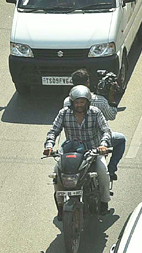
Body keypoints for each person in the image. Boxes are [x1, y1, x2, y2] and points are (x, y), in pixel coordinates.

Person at [43, 84, 113, 214]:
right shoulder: (63, 113)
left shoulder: (95, 112)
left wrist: (103, 145)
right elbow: (53, 131)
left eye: (82, 102)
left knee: (103, 170)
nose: (79, 105)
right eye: (77, 102)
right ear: (72, 102)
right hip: (71, 152)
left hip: (92, 151)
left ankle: (104, 201)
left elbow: (106, 130)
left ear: (87, 102)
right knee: (57, 173)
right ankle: (60, 206)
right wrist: (49, 146)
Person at [64, 69, 125, 181]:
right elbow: (111, 116)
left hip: (74, 145)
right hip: (96, 145)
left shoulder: (67, 102)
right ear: (88, 82)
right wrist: (111, 96)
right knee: (121, 139)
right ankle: (111, 170)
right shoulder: (99, 101)